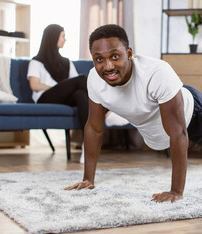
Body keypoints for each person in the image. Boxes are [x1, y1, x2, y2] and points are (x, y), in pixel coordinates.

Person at [64, 24, 202, 203]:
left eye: (115, 56)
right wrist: (88, 179)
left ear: (128, 53)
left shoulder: (156, 73)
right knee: (165, 139)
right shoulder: (94, 80)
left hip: (190, 109)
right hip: (154, 126)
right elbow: (94, 128)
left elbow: (178, 132)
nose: (108, 66)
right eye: (99, 60)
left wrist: (176, 191)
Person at [27, 24, 128, 163]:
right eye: (62, 36)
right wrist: (58, 87)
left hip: (64, 98)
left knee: (80, 94)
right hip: (45, 98)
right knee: (82, 79)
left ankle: (87, 146)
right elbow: (34, 85)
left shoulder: (66, 63)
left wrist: (65, 88)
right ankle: (108, 112)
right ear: (52, 37)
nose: (65, 39)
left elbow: (76, 84)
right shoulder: (36, 61)